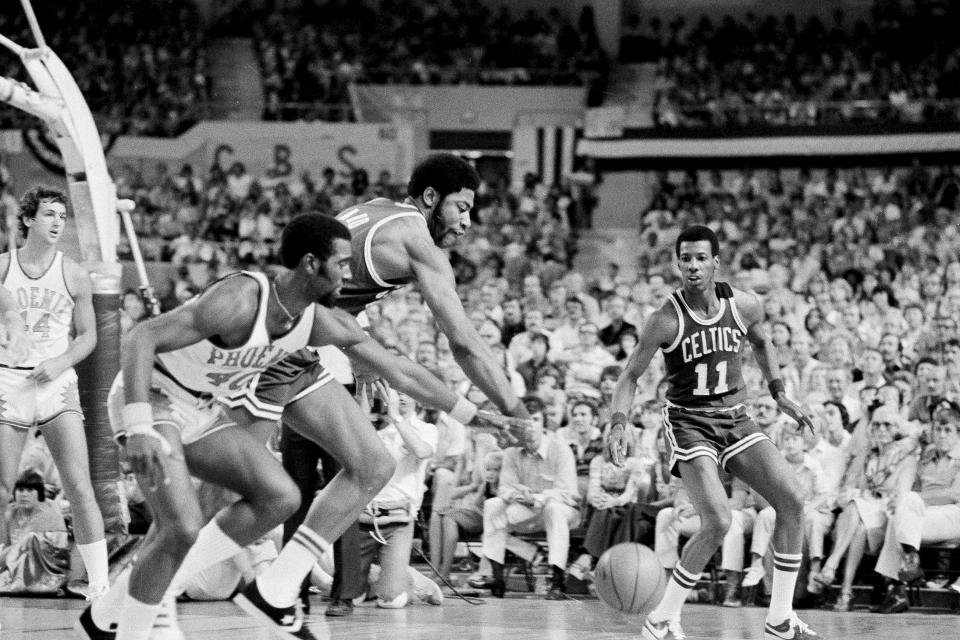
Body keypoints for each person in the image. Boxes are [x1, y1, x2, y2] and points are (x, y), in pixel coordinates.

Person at [607, 225, 819, 640]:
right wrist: (618, 422)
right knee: (718, 521)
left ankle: (780, 619)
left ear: (716, 262)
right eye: (685, 258)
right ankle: (663, 619)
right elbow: (629, 376)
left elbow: (762, 343)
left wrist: (780, 393)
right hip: (689, 422)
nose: (692, 265)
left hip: (736, 417)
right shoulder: (664, 319)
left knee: (793, 500)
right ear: (677, 263)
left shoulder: (744, 304)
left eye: (700, 257)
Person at [0, 187, 109, 598]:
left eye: (62, 216)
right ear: (28, 219)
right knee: (2, 487)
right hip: (10, 380)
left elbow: (88, 336)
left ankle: (99, 584)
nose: (57, 222)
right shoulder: (3, 267)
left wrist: (61, 363)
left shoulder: (74, 273)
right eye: (49, 214)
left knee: (79, 484)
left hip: (56, 380)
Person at [479, 395, 580, 600]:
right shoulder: (512, 452)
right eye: (525, 422)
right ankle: (496, 579)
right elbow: (504, 489)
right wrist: (519, 495)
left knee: (554, 509)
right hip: (525, 508)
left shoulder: (561, 449)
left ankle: (557, 582)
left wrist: (537, 498)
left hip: (562, 510)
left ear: (543, 423)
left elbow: (567, 492)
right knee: (493, 505)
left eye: (535, 419)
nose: (531, 427)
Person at [872, 407, 960, 612]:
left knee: (904, 507)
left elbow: (955, 494)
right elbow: (915, 490)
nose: (942, 435)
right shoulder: (928, 455)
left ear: (958, 433)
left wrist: (911, 499)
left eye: (948, 430)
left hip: (954, 515)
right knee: (899, 514)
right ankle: (909, 565)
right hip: (925, 516)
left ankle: (897, 587)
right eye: (938, 430)